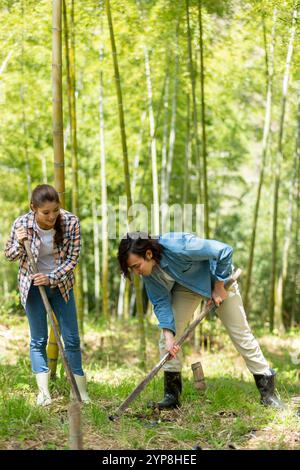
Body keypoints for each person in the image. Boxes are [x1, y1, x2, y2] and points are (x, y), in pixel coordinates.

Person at [118, 231, 283, 410]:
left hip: (219, 279)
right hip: (187, 288)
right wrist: (169, 336)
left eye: (136, 266)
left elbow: (224, 250)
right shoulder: (148, 273)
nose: (136, 272)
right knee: (166, 338)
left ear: (148, 254)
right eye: (132, 269)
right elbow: (160, 302)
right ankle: (172, 397)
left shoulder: (179, 245)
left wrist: (219, 286)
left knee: (241, 334)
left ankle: (268, 394)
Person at [4, 184, 90, 406]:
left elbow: (72, 260)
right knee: (38, 340)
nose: (52, 217)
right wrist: (20, 243)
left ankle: (79, 392)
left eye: (55, 211)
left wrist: (51, 277)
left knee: (71, 339)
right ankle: (44, 394)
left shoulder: (71, 222)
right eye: (45, 212)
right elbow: (9, 254)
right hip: (32, 287)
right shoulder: (21, 224)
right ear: (33, 208)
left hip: (61, 285)